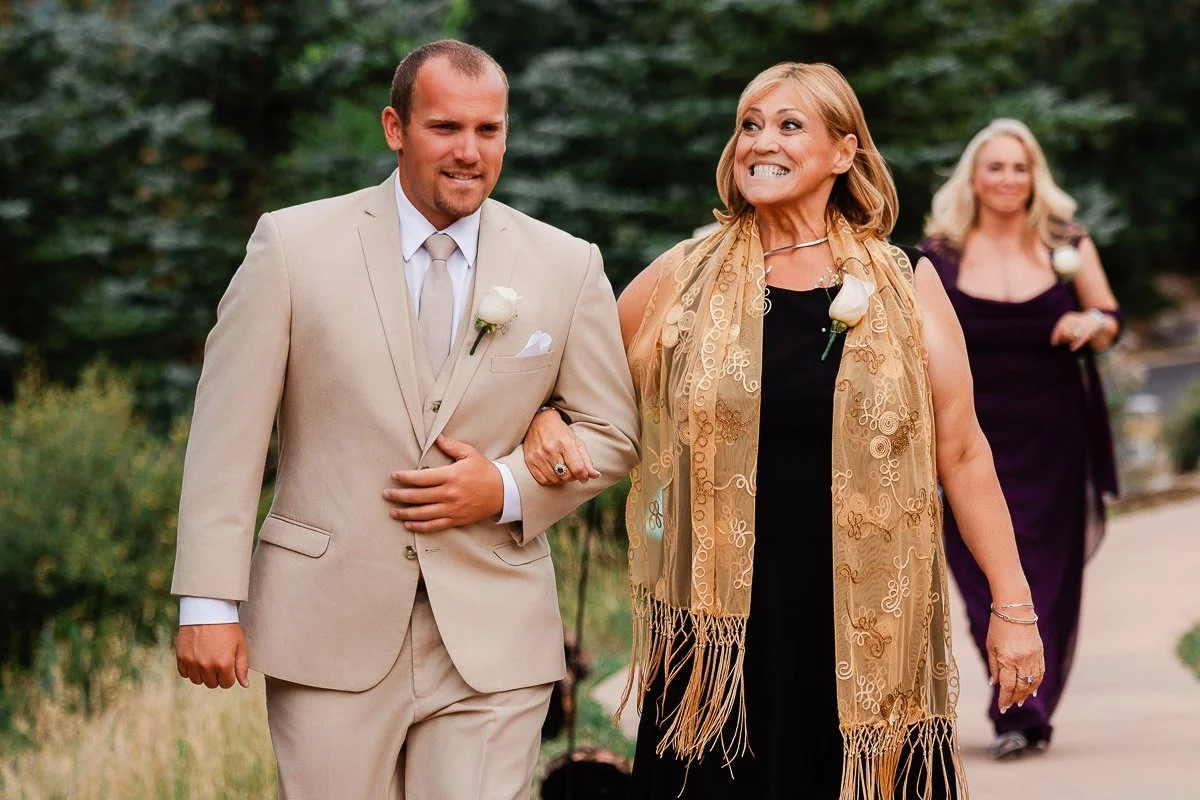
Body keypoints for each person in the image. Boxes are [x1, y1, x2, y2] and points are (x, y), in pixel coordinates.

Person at [522, 62, 1047, 799]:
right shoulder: (685, 274)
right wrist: (546, 414)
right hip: (716, 636)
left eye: (789, 125)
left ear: (844, 151)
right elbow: (574, 379)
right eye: (749, 124)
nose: (760, 142)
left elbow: (961, 452)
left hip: (862, 626)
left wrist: (1012, 606)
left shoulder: (905, 281)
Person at [170, 39, 639, 799]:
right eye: (446, 128)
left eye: (489, 131)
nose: (470, 152)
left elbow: (612, 433)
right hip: (327, 628)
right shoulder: (291, 247)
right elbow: (227, 436)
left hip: (494, 637)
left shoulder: (566, 264)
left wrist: (506, 489)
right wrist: (208, 602)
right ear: (395, 128)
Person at [919, 118, 1120, 760]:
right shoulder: (940, 253)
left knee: (1048, 574)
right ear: (973, 178)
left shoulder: (1067, 242)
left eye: (1019, 167)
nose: (1008, 179)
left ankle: (1031, 707)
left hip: (1052, 433)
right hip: (967, 437)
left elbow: (1108, 315)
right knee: (984, 574)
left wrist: (1089, 325)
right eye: (995, 167)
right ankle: (1017, 708)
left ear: (1036, 177)